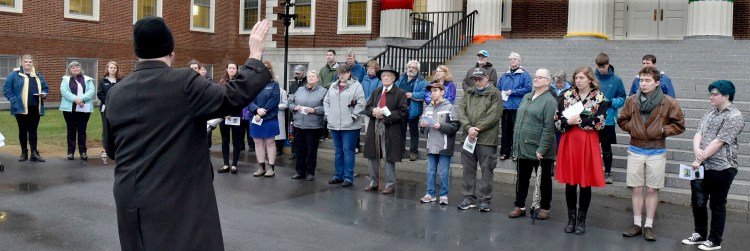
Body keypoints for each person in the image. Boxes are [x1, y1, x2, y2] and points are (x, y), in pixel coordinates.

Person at [103, 17, 271, 250]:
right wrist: (254, 55)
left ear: (137, 53)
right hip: (178, 199)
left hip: (131, 199)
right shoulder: (185, 82)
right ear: (171, 51)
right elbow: (231, 97)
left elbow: (112, 149)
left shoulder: (115, 93)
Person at [619, 66, 685, 241]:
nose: (643, 83)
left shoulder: (669, 102)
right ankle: (636, 223)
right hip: (635, 148)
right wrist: (633, 128)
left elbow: (679, 125)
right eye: (641, 80)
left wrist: (663, 129)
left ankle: (648, 225)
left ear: (657, 83)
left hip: (657, 149)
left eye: (647, 80)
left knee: (653, 189)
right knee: (637, 188)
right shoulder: (631, 100)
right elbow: (622, 119)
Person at [682, 80, 744, 251]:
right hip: (701, 165)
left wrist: (699, 158)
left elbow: (719, 141)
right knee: (698, 201)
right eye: (711, 93)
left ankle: (714, 240)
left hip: (722, 167)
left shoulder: (734, 116)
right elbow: (698, 133)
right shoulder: (710, 113)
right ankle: (699, 233)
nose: (711, 97)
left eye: (715, 94)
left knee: (717, 204)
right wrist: (697, 152)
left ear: (726, 95)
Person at [554, 66, 609, 235]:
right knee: (571, 182)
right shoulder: (566, 95)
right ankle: (571, 218)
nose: (578, 81)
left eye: (582, 78)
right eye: (576, 77)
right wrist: (567, 122)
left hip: (588, 141)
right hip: (570, 140)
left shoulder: (600, 98)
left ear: (590, 79)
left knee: (585, 183)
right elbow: (556, 121)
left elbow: (600, 123)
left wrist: (578, 121)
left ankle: (582, 220)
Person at [508, 69, 558, 220]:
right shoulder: (527, 96)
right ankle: (519, 205)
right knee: (522, 178)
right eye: (535, 76)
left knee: (543, 180)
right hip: (523, 146)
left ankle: (544, 207)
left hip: (539, 149)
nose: (536, 79)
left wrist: (542, 148)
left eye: (540, 77)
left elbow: (549, 127)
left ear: (548, 81)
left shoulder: (550, 100)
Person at [457, 67, 503, 212]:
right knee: (468, 170)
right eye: (475, 79)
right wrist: (468, 127)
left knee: (487, 170)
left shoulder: (495, 94)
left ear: (487, 78)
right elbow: (461, 111)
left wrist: (476, 129)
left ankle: (486, 199)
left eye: (480, 79)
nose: (477, 82)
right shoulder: (469, 92)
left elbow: (494, 115)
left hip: (486, 139)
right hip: (468, 137)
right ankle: (468, 197)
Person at [363, 65, 407, 194]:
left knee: (388, 156)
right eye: (383, 76)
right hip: (374, 126)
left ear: (393, 78)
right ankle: (373, 182)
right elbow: (367, 107)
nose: (386, 78)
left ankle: (390, 184)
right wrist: (373, 111)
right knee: (372, 155)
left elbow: (402, 112)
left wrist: (386, 115)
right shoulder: (376, 91)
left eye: (388, 76)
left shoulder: (400, 93)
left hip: (390, 127)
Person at [324, 64, 365, 187]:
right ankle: (338, 175)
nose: (341, 75)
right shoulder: (333, 85)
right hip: (334, 124)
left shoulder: (356, 86)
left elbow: (361, 102)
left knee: (348, 151)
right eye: (339, 73)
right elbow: (326, 101)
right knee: (338, 151)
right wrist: (327, 114)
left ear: (349, 73)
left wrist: (354, 115)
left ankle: (348, 177)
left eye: (343, 73)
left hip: (350, 125)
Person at [418, 81, 459, 205]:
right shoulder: (428, 107)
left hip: (444, 145)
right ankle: (430, 194)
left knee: (443, 172)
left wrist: (441, 126)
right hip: (431, 145)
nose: (432, 93)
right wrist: (423, 126)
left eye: (435, 91)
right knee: (430, 171)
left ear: (442, 92)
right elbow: (422, 130)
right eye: (431, 91)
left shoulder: (449, 107)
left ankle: (443, 195)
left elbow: (455, 125)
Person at [3, 54, 48, 162]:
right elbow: (6, 89)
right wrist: (14, 101)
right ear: (22, 63)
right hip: (20, 108)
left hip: (35, 107)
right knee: (22, 130)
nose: (28, 63)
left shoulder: (37, 75)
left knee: (33, 131)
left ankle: (34, 153)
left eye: (30, 62)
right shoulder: (14, 75)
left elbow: (45, 87)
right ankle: (24, 153)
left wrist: (44, 94)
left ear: (33, 63)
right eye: (26, 62)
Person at [594, 52, 627, 184]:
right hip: (592, 118)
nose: (601, 69)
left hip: (607, 119)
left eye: (603, 67)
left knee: (606, 147)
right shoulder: (591, 78)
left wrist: (611, 103)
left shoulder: (617, 80)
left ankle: (608, 172)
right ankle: (594, 171)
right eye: (599, 67)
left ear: (608, 65)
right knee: (592, 147)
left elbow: (622, 98)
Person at [289, 70, 327, 181]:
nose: (310, 78)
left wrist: (315, 110)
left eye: (313, 76)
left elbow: (327, 107)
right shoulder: (300, 89)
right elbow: (290, 102)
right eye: (309, 76)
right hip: (298, 124)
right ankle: (300, 171)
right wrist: (293, 107)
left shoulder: (323, 91)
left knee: (311, 150)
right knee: (299, 150)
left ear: (317, 78)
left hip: (313, 126)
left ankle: (310, 172)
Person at [248, 60, 282, 178]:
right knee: (257, 142)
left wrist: (262, 112)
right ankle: (261, 167)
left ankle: (271, 168)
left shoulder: (274, 84)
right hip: (255, 117)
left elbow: (274, 100)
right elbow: (248, 100)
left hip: (269, 117)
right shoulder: (252, 84)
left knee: (270, 142)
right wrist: (256, 110)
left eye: (267, 68)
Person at [497, 52, 532, 160]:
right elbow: (498, 88)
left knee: (517, 131)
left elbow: (528, 89)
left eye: (515, 59)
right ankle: (505, 152)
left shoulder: (524, 74)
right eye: (511, 59)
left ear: (519, 61)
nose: (512, 60)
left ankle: (516, 152)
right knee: (505, 131)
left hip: (518, 107)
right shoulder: (504, 75)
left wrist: (513, 92)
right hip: (506, 107)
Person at [60, 61, 96, 160]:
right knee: (71, 130)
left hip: (84, 108)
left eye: (77, 67)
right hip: (69, 109)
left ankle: (83, 152)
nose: (75, 69)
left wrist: (81, 99)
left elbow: (91, 91)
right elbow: (64, 91)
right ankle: (70, 152)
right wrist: (75, 99)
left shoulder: (87, 79)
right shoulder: (65, 79)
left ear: (80, 68)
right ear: (69, 70)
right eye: (73, 67)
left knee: (82, 131)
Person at [216, 62, 246, 174]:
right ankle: (225, 164)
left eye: (234, 68)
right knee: (225, 140)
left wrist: (231, 112)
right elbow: (219, 98)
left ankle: (234, 164)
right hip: (224, 116)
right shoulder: (222, 82)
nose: (232, 70)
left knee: (236, 140)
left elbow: (241, 100)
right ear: (226, 69)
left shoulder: (240, 82)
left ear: (237, 70)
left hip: (236, 116)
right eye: (230, 68)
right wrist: (225, 112)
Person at [395, 60, 428, 161]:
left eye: (413, 67)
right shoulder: (401, 78)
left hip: (413, 110)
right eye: (409, 67)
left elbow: (424, 94)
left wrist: (412, 95)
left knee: (414, 132)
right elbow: (395, 90)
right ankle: (401, 150)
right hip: (401, 109)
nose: (411, 69)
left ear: (417, 69)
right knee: (401, 131)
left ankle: (414, 152)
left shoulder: (421, 80)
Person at [97, 61, 122, 162]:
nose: (112, 69)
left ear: (117, 69)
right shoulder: (103, 81)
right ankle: (105, 149)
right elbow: (100, 94)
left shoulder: (121, 80)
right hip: (105, 108)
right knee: (106, 128)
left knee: (117, 128)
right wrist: (108, 102)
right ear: (107, 69)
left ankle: (118, 149)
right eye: (111, 68)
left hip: (118, 108)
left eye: (114, 68)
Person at [360, 60, 382, 153]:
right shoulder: (364, 78)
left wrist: (366, 101)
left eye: (372, 68)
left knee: (375, 130)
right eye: (369, 68)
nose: (370, 70)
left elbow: (377, 92)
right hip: (366, 107)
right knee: (367, 129)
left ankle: (376, 148)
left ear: (376, 69)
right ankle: (369, 148)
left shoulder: (379, 79)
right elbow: (361, 90)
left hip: (374, 106)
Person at [287, 64, 308, 160]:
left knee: (302, 135)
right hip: (294, 111)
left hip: (304, 112)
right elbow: (290, 95)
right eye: (296, 73)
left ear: (303, 73)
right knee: (292, 133)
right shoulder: (293, 84)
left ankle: (303, 152)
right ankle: (294, 151)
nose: (297, 75)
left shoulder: (307, 83)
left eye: (299, 73)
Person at [275, 86, 288, 156]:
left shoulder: (282, 91)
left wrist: (275, 106)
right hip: (268, 114)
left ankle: (279, 148)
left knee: (278, 134)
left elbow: (285, 104)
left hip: (278, 114)